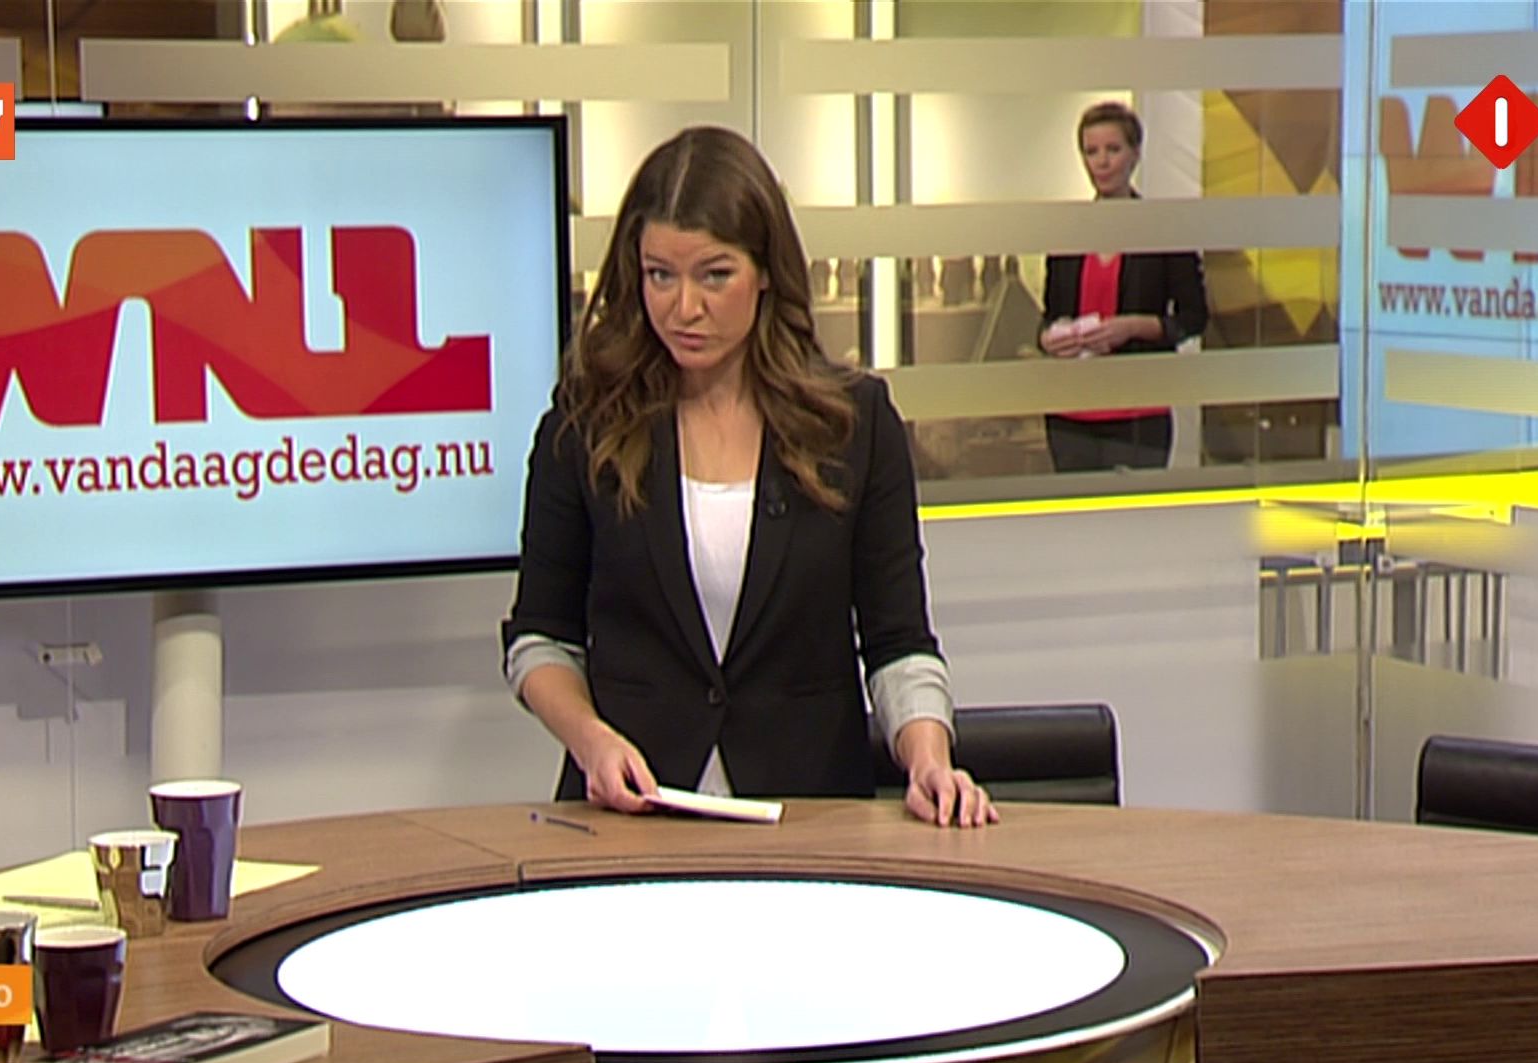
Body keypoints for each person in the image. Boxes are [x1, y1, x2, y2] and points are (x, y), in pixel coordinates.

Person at [502, 126, 996, 828]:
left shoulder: (853, 423)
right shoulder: (586, 422)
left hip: (810, 817)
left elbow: (899, 646)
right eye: (660, 275)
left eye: (714, 275)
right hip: (630, 817)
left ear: (764, 270)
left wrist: (929, 761)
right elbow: (540, 641)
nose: (684, 307)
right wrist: (591, 741)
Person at [1040, 101, 1208, 473]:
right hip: (1071, 416)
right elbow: (1050, 317)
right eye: (1091, 152)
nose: (1101, 162)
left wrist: (1133, 327)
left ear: (1135, 154)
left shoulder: (1162, 231)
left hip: (1138, 413)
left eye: (1113, 150)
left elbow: (1194, 317)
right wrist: (1050, 338)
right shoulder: (1067, 234)